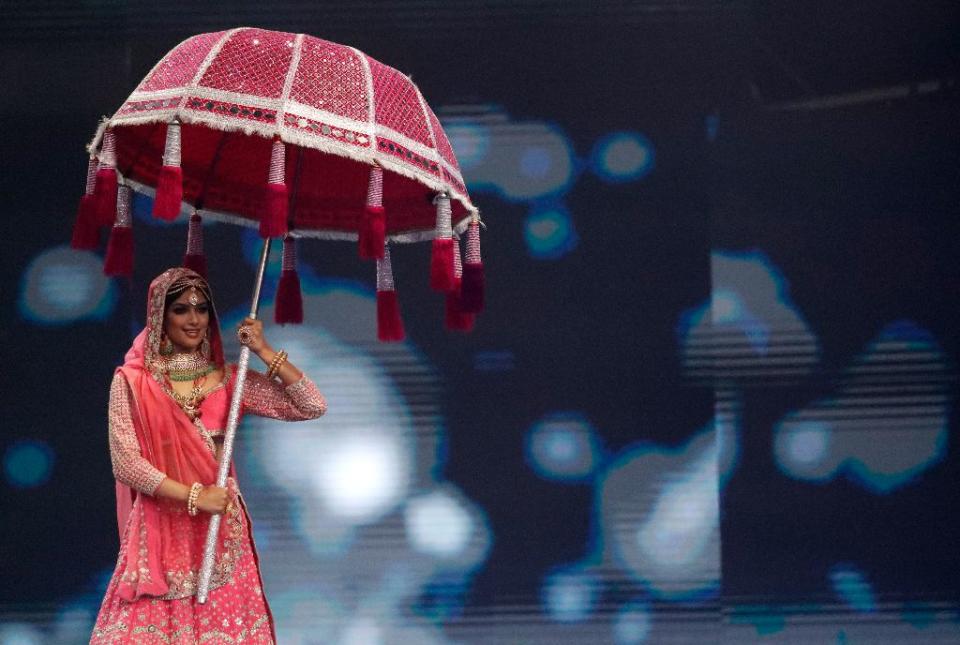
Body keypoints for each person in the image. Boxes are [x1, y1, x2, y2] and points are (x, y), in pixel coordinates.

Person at [91, 267, 326, 643]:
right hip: (160, 532)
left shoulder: (228, 379)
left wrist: (264, 351)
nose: (194, 319)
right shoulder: (132, 382)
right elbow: (126, 464)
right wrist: (195, 496)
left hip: (219, 533)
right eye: (181, 309)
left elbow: (311, 405)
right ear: (159, 315)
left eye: (202, 309)